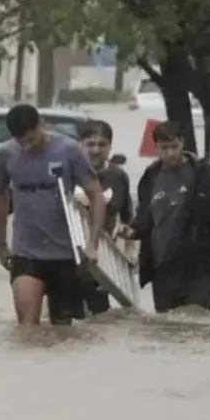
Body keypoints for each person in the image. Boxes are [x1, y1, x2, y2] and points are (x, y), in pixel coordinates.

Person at [0, 104, 106, 326]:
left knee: (62, 332)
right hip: (26, 252)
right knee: (27, 325)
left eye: (30, 139)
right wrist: (1, 243)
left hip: (65, 254)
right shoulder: (5, 154)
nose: (26, 145)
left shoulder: (69, 150)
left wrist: (93, 242)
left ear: (40, 125)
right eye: (20, 141)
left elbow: (96, 194)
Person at [114, 121, 210, 313]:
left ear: (182, 143)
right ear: (156, 147)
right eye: (164, 148)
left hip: (199, 270)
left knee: (198, 325)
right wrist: (130, 230)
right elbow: (145, 220)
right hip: (162, 270)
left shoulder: (206, 174)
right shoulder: (151, 176)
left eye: (174, 147)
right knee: (166, 329)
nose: (170, 153)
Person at [75, 119, 134, 314]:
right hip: (67, 258)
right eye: (90, 144)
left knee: (99, 320)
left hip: (101, 262)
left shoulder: (118, 177)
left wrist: (129, 256)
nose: (96, 150)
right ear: (80, 145)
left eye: (102, 144)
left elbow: (127, 220)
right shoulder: (69, 174)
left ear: (110, 147)